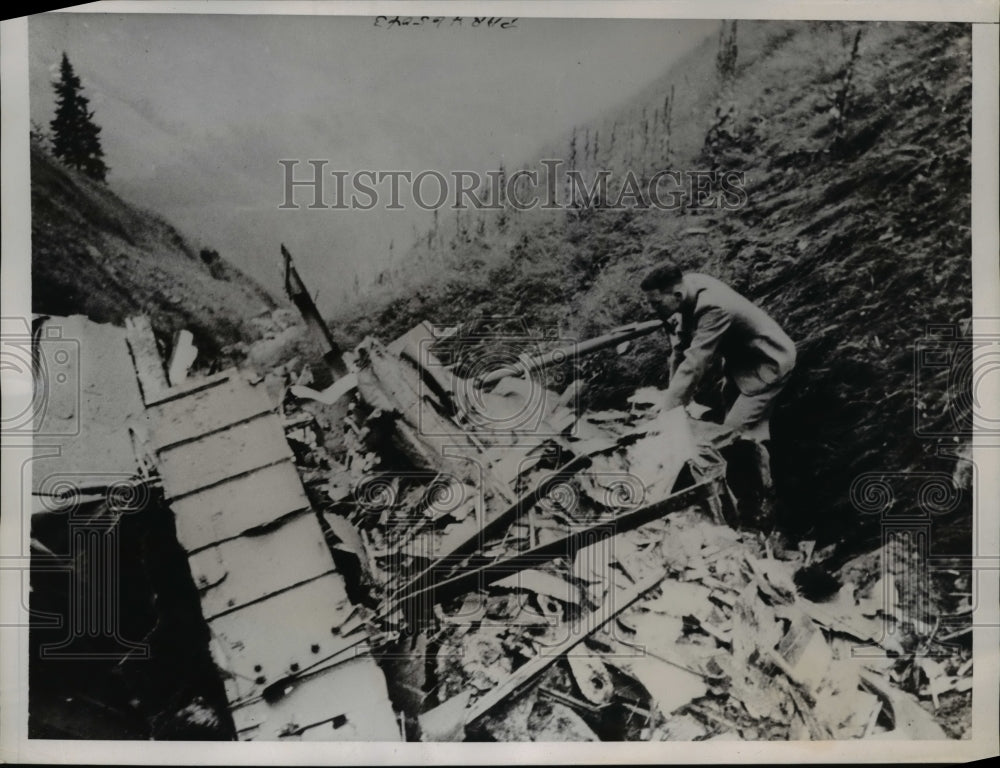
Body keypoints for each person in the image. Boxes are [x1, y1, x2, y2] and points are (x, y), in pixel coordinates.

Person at [640, 256, 796, 530]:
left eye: (656, 304)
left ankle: (757, 510)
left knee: (732, 437)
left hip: (767, 363)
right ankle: (758, 484)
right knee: (742, 433)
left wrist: (669, 413)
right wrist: (671, 400)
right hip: (742, 364)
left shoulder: (712, 307)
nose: (653, 310)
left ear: (675, 294)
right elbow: (681, 351)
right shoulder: (690, 289)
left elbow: (696, 362)